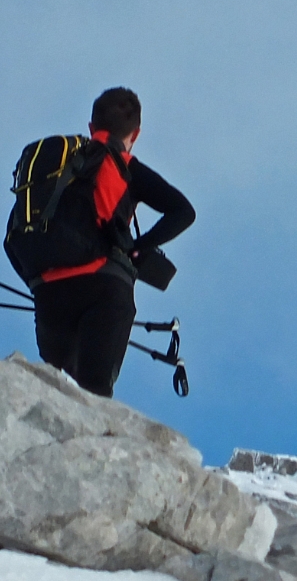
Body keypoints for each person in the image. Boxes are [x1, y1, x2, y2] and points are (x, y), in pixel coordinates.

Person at [32, 87, 195, 397]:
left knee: (56, 391)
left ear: (92, 127)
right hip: (105, 288)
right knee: (94, 395)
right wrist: (140, 246)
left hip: (48, 288)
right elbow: (183, 212)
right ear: (136, 134)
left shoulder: (59, 164)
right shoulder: (125, 166)